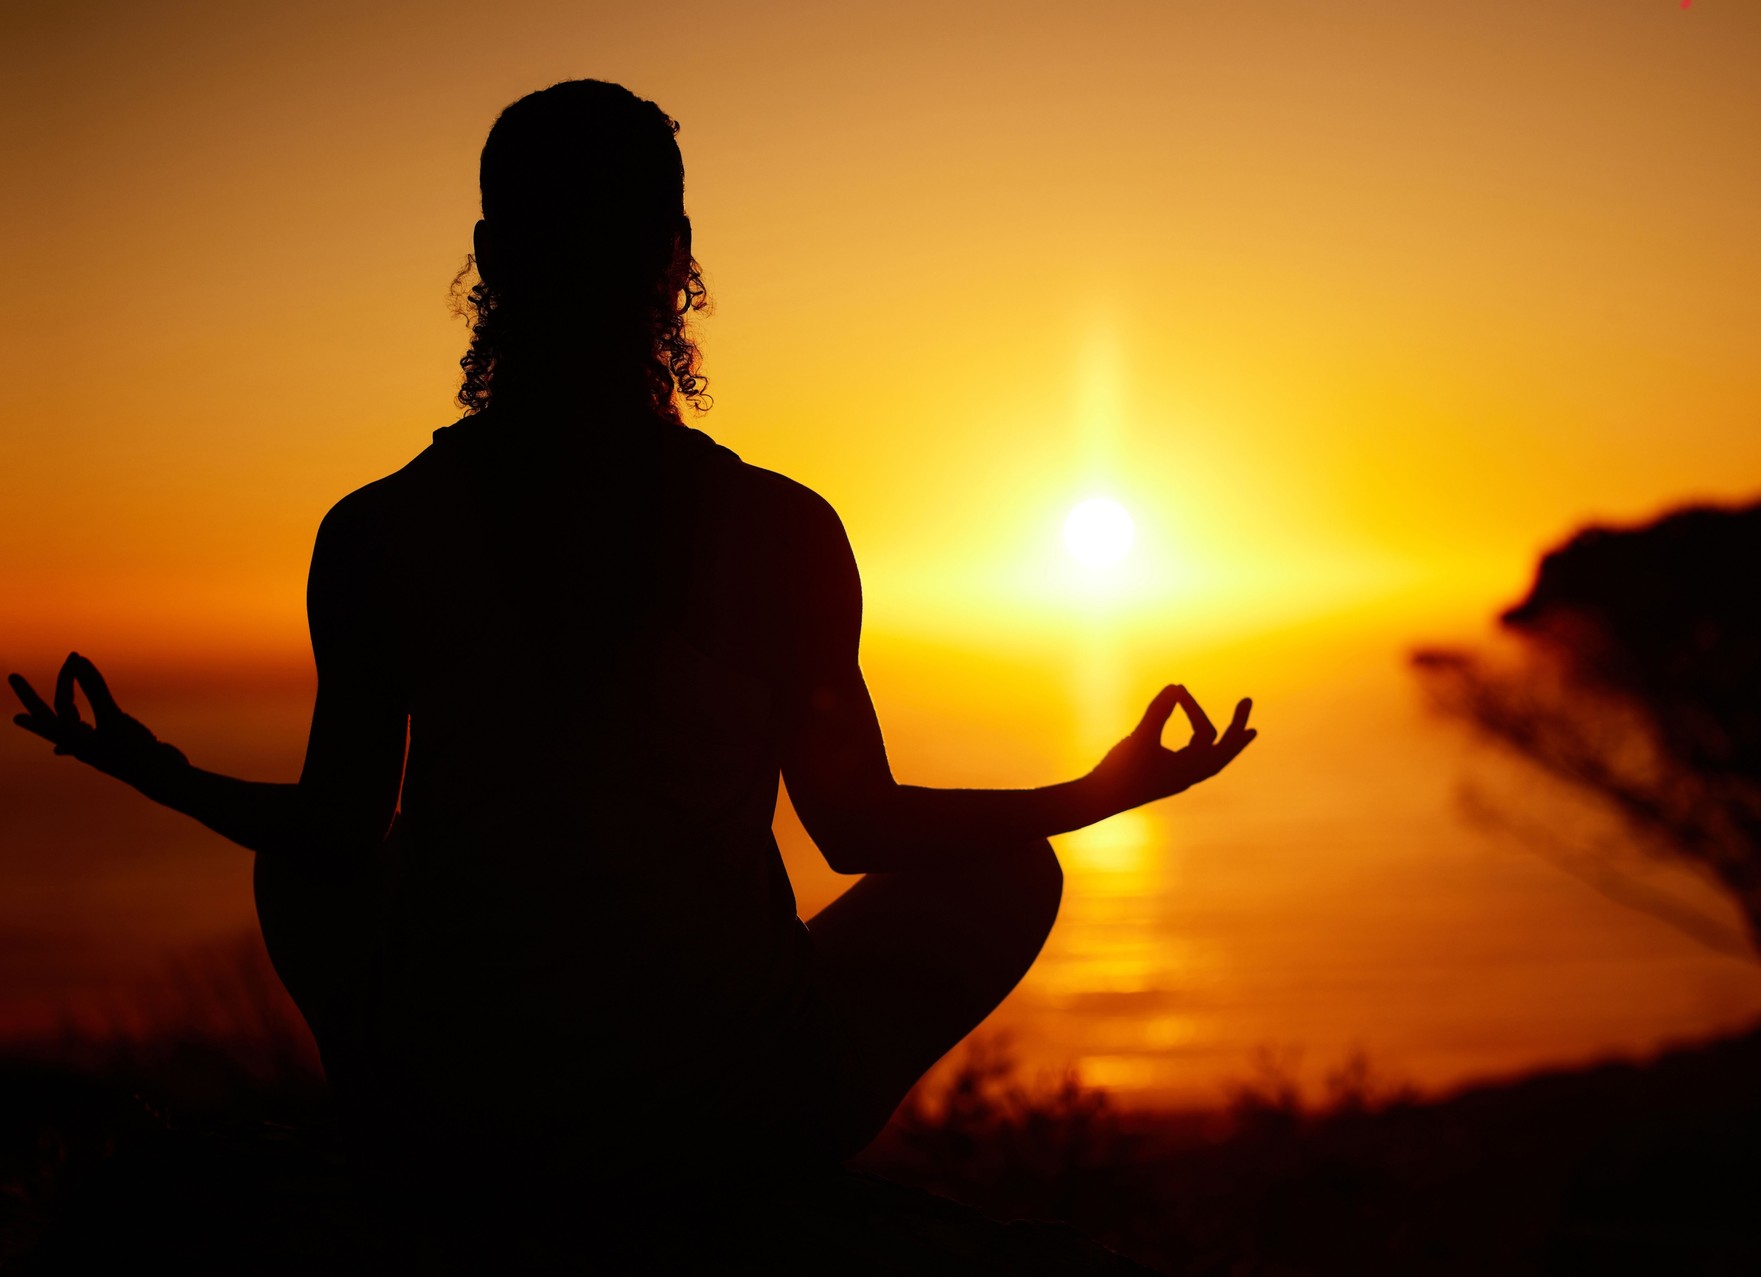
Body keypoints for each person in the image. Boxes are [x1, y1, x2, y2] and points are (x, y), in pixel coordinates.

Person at [10, 78, 1255, 1232]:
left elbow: (333, 837)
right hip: (732, 1109)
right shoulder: (778, 528)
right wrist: (1100, 793)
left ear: (494, 262)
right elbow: (858, 827)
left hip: (466, 1106)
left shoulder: (382, 530)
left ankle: (428, 1146)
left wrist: (156, 769)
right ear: (678, 260)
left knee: (302, 874)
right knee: (1011, 871)